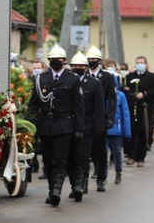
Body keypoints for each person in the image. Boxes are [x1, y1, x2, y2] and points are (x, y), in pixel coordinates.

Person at [28, 44, 85, 207]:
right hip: (46, 124)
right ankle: (51, 189)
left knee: (60, 159)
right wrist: (31, 124)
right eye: (52, 60)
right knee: (48, 159)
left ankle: (56, 190)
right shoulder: (41, 79)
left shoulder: (73, 79)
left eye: (58, 59)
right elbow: (34, 104)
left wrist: (79, 128)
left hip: (65, 124)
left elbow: (79, 106)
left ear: (64, 61)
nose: (56, 62)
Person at [66, 52, 104, 200]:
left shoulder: (95, 84)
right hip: (69, 125)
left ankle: (80, 185)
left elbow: (99, 108)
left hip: (87, 126)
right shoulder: (67, 82)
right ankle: (74, 184)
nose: (78, 68)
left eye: (81, 66)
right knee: (70, 159)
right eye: (75, 66)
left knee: (82, 158)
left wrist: (99, 128)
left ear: (86, 67)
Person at [85, 46, 116, 192]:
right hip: (85, 118)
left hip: (100, 117)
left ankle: (101, 178)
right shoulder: (83, 76)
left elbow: (112, 99)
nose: (91, 62)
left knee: (101, 149)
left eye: (94, 60)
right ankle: (82, 181)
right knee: (85, 150)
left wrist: (110, 118)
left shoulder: (108, 77)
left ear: (99, 61)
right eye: (89, 59)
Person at [123, 56, 154, 167]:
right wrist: (132, 94)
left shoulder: (152, 77)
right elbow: (125, 90)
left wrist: (144, 94)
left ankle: (140, 158)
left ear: (146, 65)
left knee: (144, 133)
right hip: (132, 108)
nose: (140, 64)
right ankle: (131, 155)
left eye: (142, 63)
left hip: (145, 108)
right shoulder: (129, 77)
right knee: (132, 133)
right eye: (138, 62)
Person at [107, 75, 131, 184]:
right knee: (102, 153)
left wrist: (127, 132)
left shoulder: (121, 95)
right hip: (104, 129)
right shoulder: (102, 94)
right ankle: (102, 175)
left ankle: (118, 172)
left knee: (117, 152)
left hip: (117, 129)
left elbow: (125, 114)